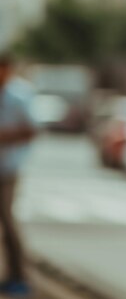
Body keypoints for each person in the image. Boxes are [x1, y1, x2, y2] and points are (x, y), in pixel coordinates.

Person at [0, 54, 38, 297]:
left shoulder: (20, 95)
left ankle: (19, 277)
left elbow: (31, 130)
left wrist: (4, 136)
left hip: (7, 169)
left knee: (8, 223)